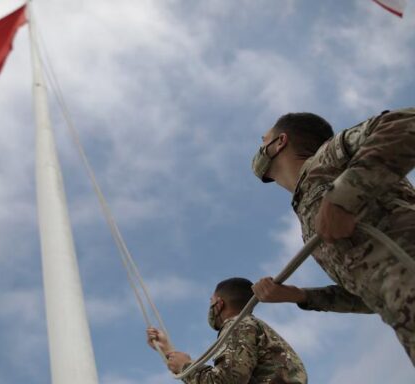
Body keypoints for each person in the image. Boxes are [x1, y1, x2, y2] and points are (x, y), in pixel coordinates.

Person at [250, 108, 415, 364]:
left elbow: (407, 121)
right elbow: (370, 296)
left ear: (279, 141)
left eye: (263, 140)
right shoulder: (307, 220)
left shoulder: (328, 157)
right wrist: (300, 296)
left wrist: (343, 198)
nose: (260, 148)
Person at [147, 277, 307, 383]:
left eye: (211, 301)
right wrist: (167, 350)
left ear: (219, 304)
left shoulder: (238, 325)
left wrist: (186, 367)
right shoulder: (252, 326)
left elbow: (227, 381)